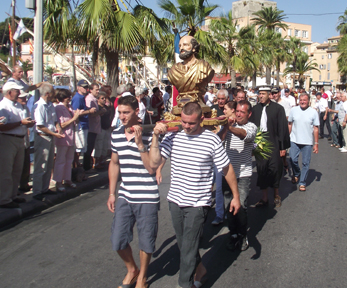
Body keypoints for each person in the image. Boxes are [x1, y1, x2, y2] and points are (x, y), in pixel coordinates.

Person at [157, 101, 241, 288]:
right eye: (184, 122)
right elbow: (156, 160)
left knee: (188, 248)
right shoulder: (173, 137)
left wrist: (235, 196)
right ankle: (201, 270)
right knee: (184, 244)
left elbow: (227, 169)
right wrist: (155, 137)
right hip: (175, 200)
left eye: (191, 123)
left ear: (201, 119)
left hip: (198, 202)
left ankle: (184, 284)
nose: (186, 126)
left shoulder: (211, 140)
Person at [107, 95, 167, 288]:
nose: (122, 116)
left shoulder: (149, 134)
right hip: (126, 193)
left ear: (136, 112)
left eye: (126, 112)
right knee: (118, 239)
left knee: (146, 240)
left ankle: (142, 277)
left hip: (146, 195)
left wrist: (141, 144)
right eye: (120, 113)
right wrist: (111, 193)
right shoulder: (116, 133)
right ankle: (132, 269)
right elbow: (114, 163)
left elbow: (151, 168)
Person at [217, 100, 257, 251]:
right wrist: (225, 127)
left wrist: (230, 127)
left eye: (242, 112)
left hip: (244, 174)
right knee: (229, 206)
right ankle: (233, 233)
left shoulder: (251, 127)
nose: (239, 114)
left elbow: (244, 135)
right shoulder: (228, 126)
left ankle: (242, 234)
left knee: (241, 205)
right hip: (228, 173)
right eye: (237, 111)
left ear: (249, 114)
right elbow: (219, 140)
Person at [0, 81, 35, 208]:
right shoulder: (2, 107)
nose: (18, 93)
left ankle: (13, 195)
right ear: (9, 92)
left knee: (17, 169)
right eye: (16, 91)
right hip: (7, 139)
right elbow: (2, 127)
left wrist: (27, 123)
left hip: (19, 138)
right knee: (7, 170)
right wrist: (21, 123)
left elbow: (21, 121)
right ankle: (5, 199)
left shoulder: (18, 105)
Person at [249, 86, 290, 208]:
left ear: (269, 95)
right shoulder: (255, 109)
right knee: (262, 169)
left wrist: (283, 147)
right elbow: (251, 127)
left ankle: (276, 194)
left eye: (263, 94)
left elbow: (282, 128)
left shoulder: (278, 109)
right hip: (260, 144)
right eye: (259, 94)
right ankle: (264, 197)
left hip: (274, 142)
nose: (260, 96)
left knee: (275, 168)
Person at [32, 83, 64, 200]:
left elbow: (54, 119)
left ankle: (44, 188)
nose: (54, 95)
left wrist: (58, 127)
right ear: (47, 94)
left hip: (51, 136)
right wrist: (54, 133)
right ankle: (37, 191)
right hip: (43, 136)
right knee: (41, 165)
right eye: (52, 92)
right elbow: (40, 125)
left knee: (49, 164)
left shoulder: (50, 105)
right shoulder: (39, 106)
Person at [288, 93, 319, 191]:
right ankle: (296, 173)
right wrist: (286, 137)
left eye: (304, 100)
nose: (302, 102)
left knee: (305, 163)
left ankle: (302, 182)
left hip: (307, 142)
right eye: (301, 100)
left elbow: (316, 128)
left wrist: (316, 144)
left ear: (308, 101)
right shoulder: (293, 110)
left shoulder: (313, 112)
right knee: (292, 159)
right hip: (294, 140)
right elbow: (290, 124)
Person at [53, 89, 81, 191]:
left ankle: (67, 179)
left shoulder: (69, 107)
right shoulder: (58, 108)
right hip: (63, 137)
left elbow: (75, 121)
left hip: (71, 137)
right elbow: (61, 125)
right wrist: (74, 118)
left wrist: (76, 116)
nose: (69, 99)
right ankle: (58, 182)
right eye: (67, 97)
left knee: (69, 160)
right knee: (60, 160)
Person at [71, 79, 96, 168]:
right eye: (84, 87)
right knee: (78, 147)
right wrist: (89, 111)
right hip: (80, 124)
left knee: (82, 147)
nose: (86, 89)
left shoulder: (82, 97)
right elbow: (75, 112)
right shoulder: (77, 98)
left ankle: (77, 166)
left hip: (84, 124)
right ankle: (75, 166)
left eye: (87, 87)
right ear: (78, 87)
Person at [84, 83, 106, 171]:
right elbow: (91, 114)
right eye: (96, 90)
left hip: (95, 127)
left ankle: (88, 166)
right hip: (91, 127)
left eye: (98, 89)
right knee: (88, 148)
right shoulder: (89, 99)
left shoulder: (94, 99)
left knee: (91, 147)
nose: (98, 91)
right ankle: (86, 167)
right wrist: (100, 112)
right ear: (90, 90)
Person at [17, 90, 32, 192]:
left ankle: (24, 184)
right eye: (22, 98)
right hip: (16, 138)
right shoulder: (15, 108)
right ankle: (15, 188)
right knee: (17, 165)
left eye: (25, 97)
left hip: (25, 137)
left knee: (26, 163)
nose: (24, 99)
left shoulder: (26, 108)